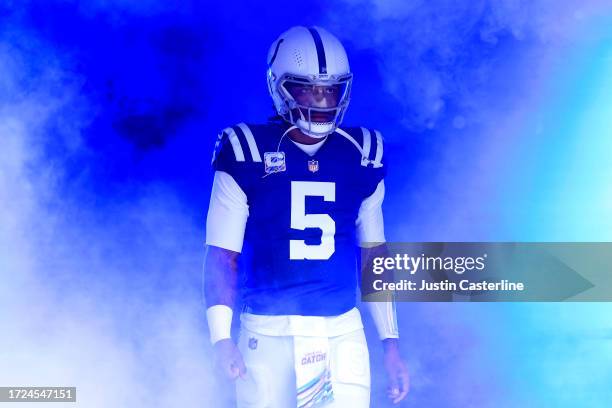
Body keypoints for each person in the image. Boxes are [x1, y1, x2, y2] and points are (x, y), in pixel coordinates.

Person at [204, 25, 409, 407]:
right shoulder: (246, 150)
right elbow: (222, 255)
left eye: (330, 88)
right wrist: (221, 338)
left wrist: (391, 344)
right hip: (268, 333)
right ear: (279, 87)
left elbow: (374, 256)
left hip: (341, 332)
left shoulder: (361, 153)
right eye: (307, 88)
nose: (321, 99)